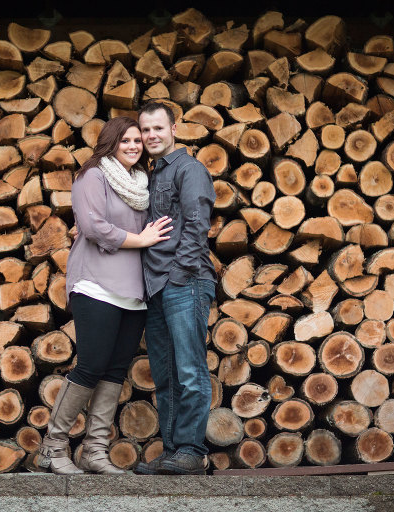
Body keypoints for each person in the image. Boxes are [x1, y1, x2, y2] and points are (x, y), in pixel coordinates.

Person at [38, 116, 173, 475]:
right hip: (95, 284)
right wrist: (141, 240)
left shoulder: (141, 183)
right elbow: (92, 225)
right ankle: (52, 448)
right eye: (125, 140)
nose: (133, 146)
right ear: (110, 141)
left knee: (114, 371)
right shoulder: (92, 176)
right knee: (92, 364)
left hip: (133, 292)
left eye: (137, 141)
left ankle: (94, 452)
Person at [134, 102, 217, 475]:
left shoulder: (189, 169)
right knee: (165, 372)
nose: (151, 136)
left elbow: (198, 225)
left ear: (174, 129)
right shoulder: (151, 176)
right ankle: (172, 452)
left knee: (189, 369)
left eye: (157, 128)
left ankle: (192, 450)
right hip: (156, 287)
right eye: (145, 130)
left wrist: (178, 277)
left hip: (184, 282)